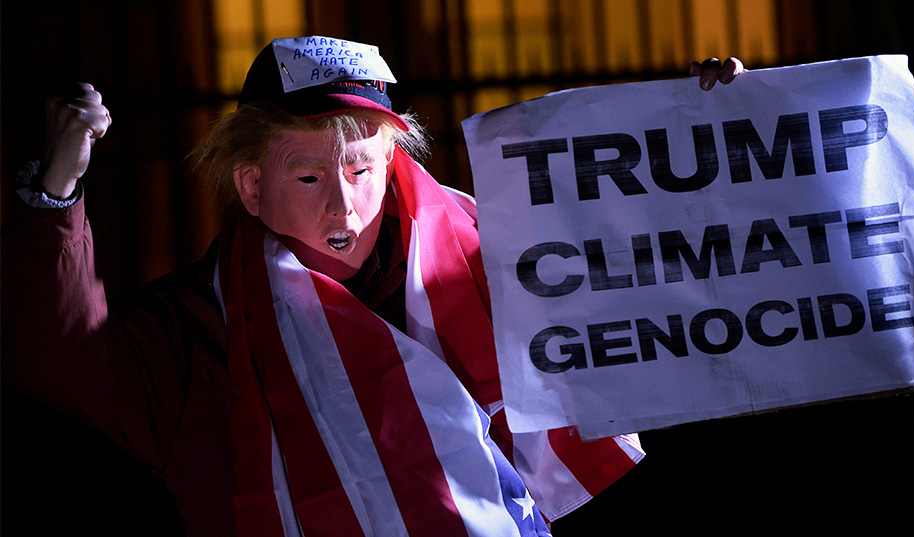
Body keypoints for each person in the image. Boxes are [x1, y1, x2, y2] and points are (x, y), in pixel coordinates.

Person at [2, 36, 743, 536]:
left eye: (361, 169)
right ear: (252, 186)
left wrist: (714, 130)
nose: (345, 206)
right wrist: (55, 194)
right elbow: (62, 360)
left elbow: (652, 278)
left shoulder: (497, 256)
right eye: (309, 176)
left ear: (391, 165)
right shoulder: (200, 328)